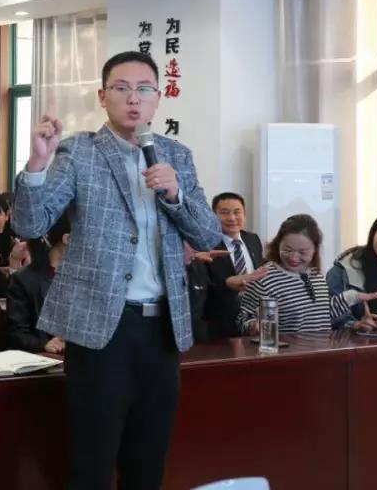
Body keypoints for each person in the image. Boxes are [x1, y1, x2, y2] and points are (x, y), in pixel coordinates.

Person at [12, 50, 223, 490]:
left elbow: (207, 235)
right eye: (122, 88)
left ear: (158, 98)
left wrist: (176, 196)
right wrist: (36, 165)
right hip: (101, 329)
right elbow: (30, 225)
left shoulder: (175, 155)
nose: (133, 99)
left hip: (163, 328)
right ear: (102, 96)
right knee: (92, 462)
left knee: (148, 461)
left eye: (144, 89)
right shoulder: (80, 152)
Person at [239, 214, 377, 335]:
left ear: (315, 250)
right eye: (287, 250)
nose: (294, 257)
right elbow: (243, 319)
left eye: (303, 252)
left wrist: (353, 306)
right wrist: (253, 326)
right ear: (277, 245)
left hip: (319, 352)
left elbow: (322, 314)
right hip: (285, 355)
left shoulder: (315, 275)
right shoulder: (264, 278)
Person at [198, 192, 267, 338]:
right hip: (220, 324)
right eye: (224, 213)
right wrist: (227, 284)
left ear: (244, 214)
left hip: (253, 322)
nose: (232, 218)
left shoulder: (253, 239)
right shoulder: (204, 245)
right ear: (213, 216)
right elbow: (202, 287)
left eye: (237, 212)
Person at [7, 221, 69, 354]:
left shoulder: (84, 277)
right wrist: (44, 344)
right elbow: (17, 332)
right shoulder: (24, 280)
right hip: (46, 355)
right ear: (67, 239)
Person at [327, 211, 377, 330]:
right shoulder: (342, 271)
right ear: (373, 233)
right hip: (362, 341)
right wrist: (355, 325)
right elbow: (327, 316)